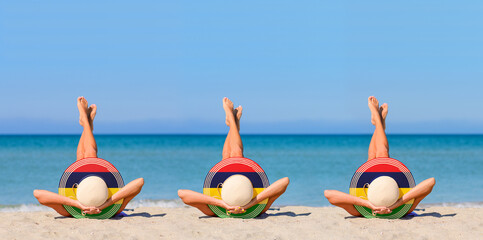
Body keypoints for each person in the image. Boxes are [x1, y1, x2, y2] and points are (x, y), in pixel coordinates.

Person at [324, 96, 436, 216]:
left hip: (372, 195)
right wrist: (398, 203)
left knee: (373, 159)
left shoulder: (359, 212)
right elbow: (431, 182)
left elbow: (329, 194)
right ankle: (378, 122)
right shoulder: (405, 210)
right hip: (391, 195)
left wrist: (367, 204)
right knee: (381, 153)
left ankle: (378, 121)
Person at [33, 96, 144, 217]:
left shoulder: (69, 212)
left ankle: (86, 122)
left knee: (82, 158)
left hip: (79, 204)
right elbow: (139, 182)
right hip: (105, 204)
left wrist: (76, 204)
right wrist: (107, 204)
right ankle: (86, 122)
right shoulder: (114, 209)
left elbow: (38, 194)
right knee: (89, 156)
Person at [178, 97, 290, 216]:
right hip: (247, 198)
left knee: (227, 157)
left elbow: (182, 194)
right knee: (236, 154)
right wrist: (251, 203)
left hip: (225, 196)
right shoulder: (259, 209)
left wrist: (222, 204)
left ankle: (232, 121)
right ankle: (232, 121)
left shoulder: (213, 212)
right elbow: (285, 181)